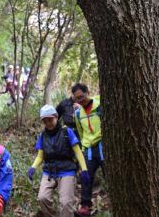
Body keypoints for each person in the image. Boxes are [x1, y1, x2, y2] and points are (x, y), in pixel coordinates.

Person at [28, 105, 90, 217]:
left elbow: (78, 152)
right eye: (45, 121)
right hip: (49, 171)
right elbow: (40, 156)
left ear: (56, 117)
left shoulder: (67, 132)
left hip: (67, 170)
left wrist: (84, 169)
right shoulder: (43, 135)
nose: (48, 123)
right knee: (42, 198)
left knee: (66, 203)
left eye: (50, 119)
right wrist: (33, 167)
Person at [72, 83, 104, 217]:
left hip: (103, 146)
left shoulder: (99, 105)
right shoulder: (78, 113)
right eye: (77, 98)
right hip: (88, 149)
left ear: (87, 92)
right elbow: (80, 131)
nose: (80, 100)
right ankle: (85, 206)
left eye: (82, 96)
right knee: (85, 176)